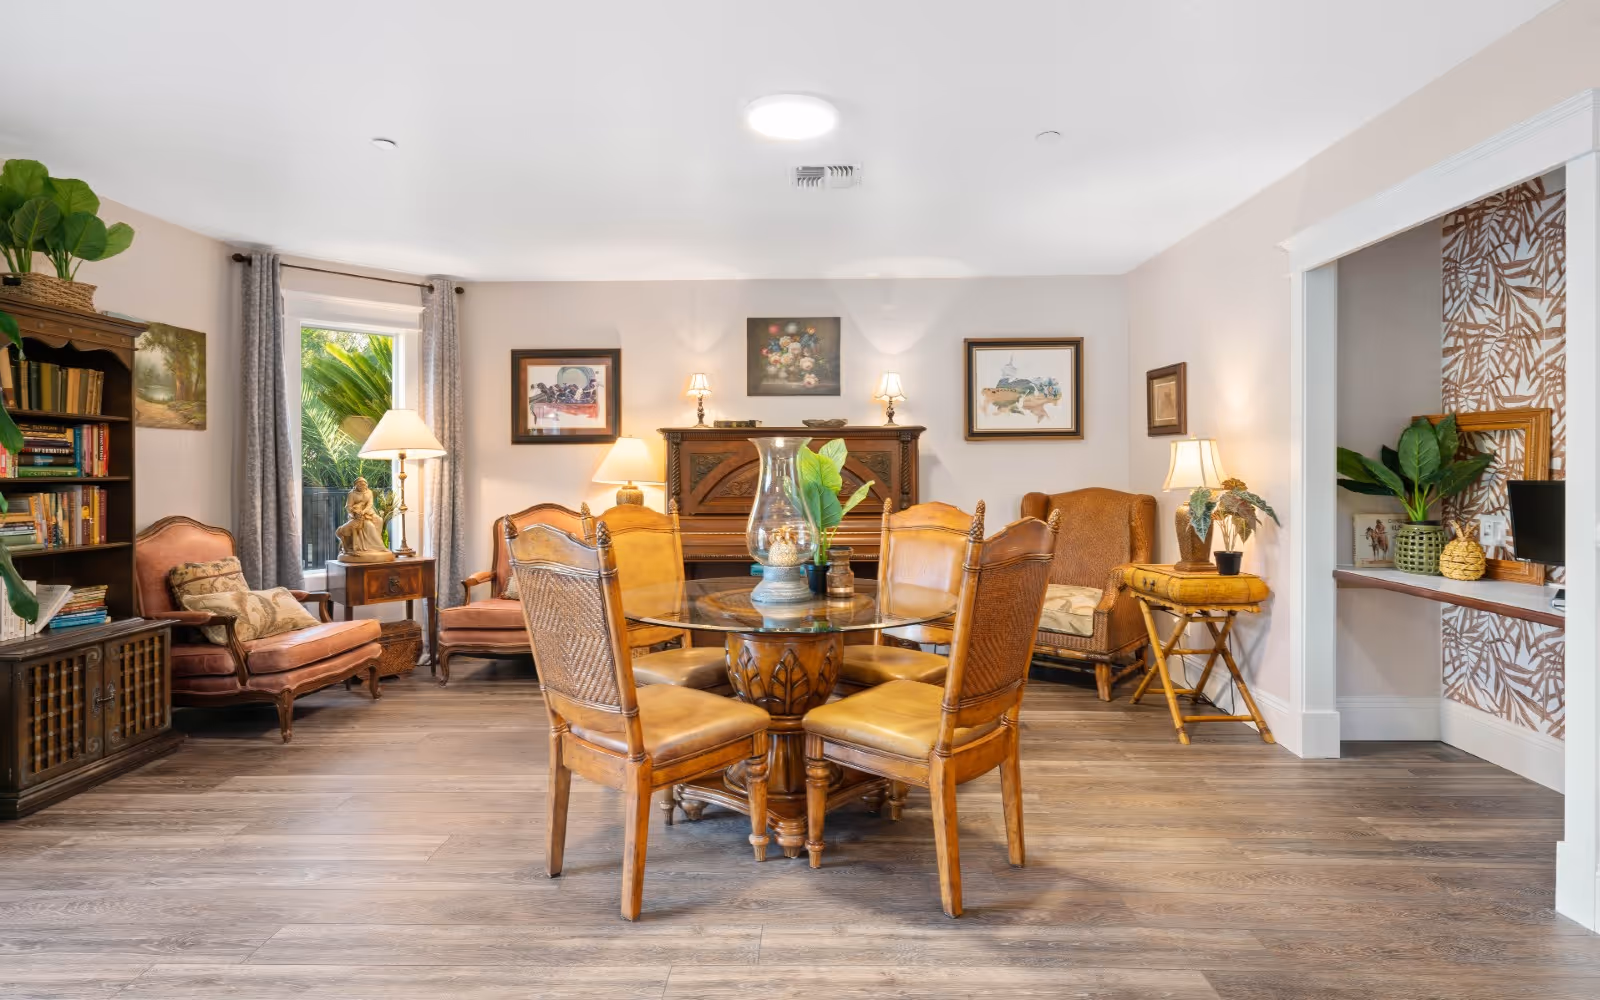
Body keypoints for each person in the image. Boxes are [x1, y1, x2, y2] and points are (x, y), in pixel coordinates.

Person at [336, 476, 393, 562]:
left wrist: (364, 511)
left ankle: (374, 547)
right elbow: (348, 507)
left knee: (379, 520)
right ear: (356, 486)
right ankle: (379, 546)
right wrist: (354, 513)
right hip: (356, 514)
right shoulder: (352, 494)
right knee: (369, 525)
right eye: (360, 485)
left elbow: (370, 504)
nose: (363, 487)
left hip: (368, 512)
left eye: (364, 485)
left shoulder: (369, 492)